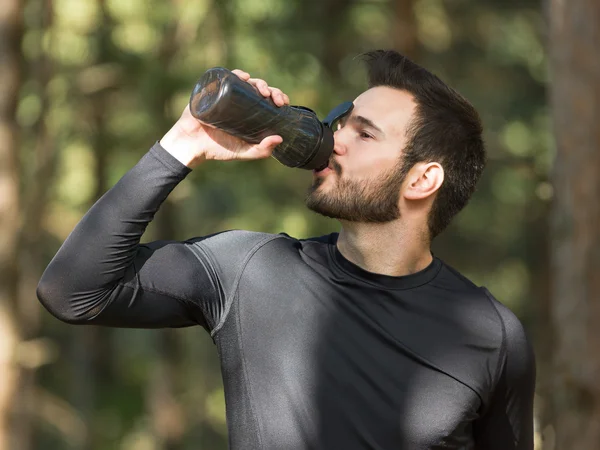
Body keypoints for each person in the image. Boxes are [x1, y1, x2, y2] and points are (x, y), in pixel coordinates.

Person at [37, 50, 535, 449]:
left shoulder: (491, 334)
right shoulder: (248, 270)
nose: (336, 138)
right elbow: (73, 292)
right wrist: (184, 142)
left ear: (422, 179)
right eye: (341, 122)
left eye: (363, 133)